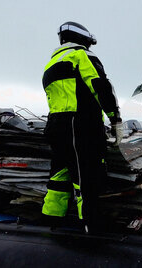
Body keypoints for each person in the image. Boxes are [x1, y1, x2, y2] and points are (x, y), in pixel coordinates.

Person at [41, 21, 122, 232]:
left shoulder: (51, 63)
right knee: (86, 174)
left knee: (59, 173)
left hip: (56, 125)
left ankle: (52, 219)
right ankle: (90, 224)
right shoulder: (81, 56)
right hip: (80, 125)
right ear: (84, 40)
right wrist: (115, 119)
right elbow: (100, 87)